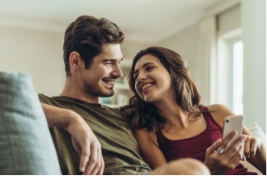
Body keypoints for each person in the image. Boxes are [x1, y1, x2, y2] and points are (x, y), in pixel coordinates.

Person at [38, 15, 210, 175]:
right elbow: (11, 103)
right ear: (76, 61)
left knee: (193, 169)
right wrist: (71, 120)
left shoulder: (126, 115)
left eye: (119, 63)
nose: (119, 73)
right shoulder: (47, 107)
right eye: (108, 63)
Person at [121, 46, 266, 175]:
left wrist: (258, 144)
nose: (139, 78)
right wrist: (209, 170)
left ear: (173, 72)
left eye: (149, 68)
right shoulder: (146, 131)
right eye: (135, 76)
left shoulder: (218, 112)